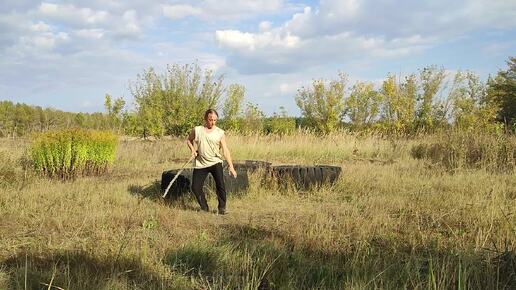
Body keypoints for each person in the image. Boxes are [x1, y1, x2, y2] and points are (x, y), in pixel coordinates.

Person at [186, 109, 237, 214]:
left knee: (220, 185)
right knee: (195, 187)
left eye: (215, 120)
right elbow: (188, 140)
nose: (212, 122)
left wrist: (231, 166)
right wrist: (192, 150)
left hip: (215, 162)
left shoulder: (220, 132)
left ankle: (222, 208)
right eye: (210, 120)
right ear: (205, 119)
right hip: (201, 163)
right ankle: (204, 207)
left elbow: (225, 150)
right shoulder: (197, 130)